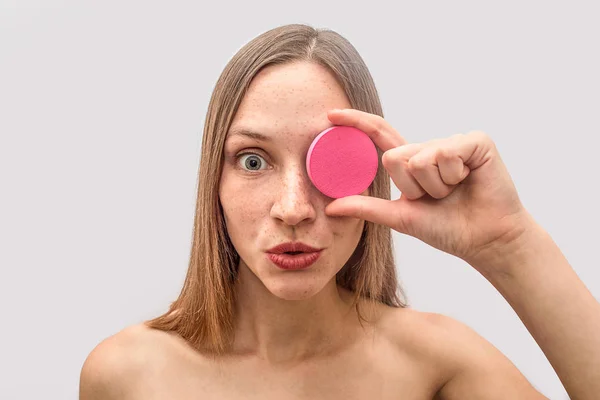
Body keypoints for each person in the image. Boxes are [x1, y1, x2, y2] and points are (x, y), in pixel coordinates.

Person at [79, 24, 600, 399]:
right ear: (213, 180)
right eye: (253, 160)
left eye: (329, 162)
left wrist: (508, 243)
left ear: (372, 171)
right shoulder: (126, 375)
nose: (293, 209)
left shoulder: (436, 366)